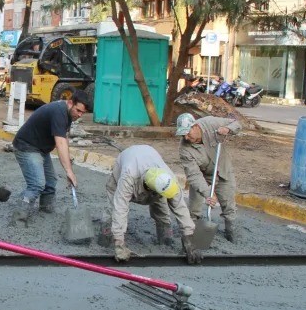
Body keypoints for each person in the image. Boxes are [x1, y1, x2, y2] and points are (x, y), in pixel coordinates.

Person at [97, 145, 197, 264]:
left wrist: (189, 239)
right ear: (150, 189)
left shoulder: (168, 179)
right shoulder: (128, 177)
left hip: (149, 158)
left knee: (161, 209)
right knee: (112, 207)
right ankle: (105, 239)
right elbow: (120, 208)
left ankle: (165, 241)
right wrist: (119, 243)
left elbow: (180, 208)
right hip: (128, 163)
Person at [10, 90, 90, 226]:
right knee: (37, 183)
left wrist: (69, 165)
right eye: (78, 110)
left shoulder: (68, 113)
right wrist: (69, 171)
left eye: (83, 113)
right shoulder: (59, 112)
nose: (80, 115)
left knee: (50, 182)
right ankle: (18, 218)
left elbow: (64, 139)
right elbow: (59, 143)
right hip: (26, 146)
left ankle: (45, 212)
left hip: (40, 148)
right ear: (70, 102)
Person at [176, 113, 242, 244]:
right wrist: (208, 194)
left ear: (195, 126)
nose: (186, 138)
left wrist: (228, 129)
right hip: (202, 176)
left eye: (188, 133)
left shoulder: (211, 123)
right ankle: (192, 234)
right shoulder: (184, 149)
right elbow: (193, 175)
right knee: (194, 208)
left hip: (222, 171)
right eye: (182, 135)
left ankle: (232, 234)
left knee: (228, 205)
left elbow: (236, 123)